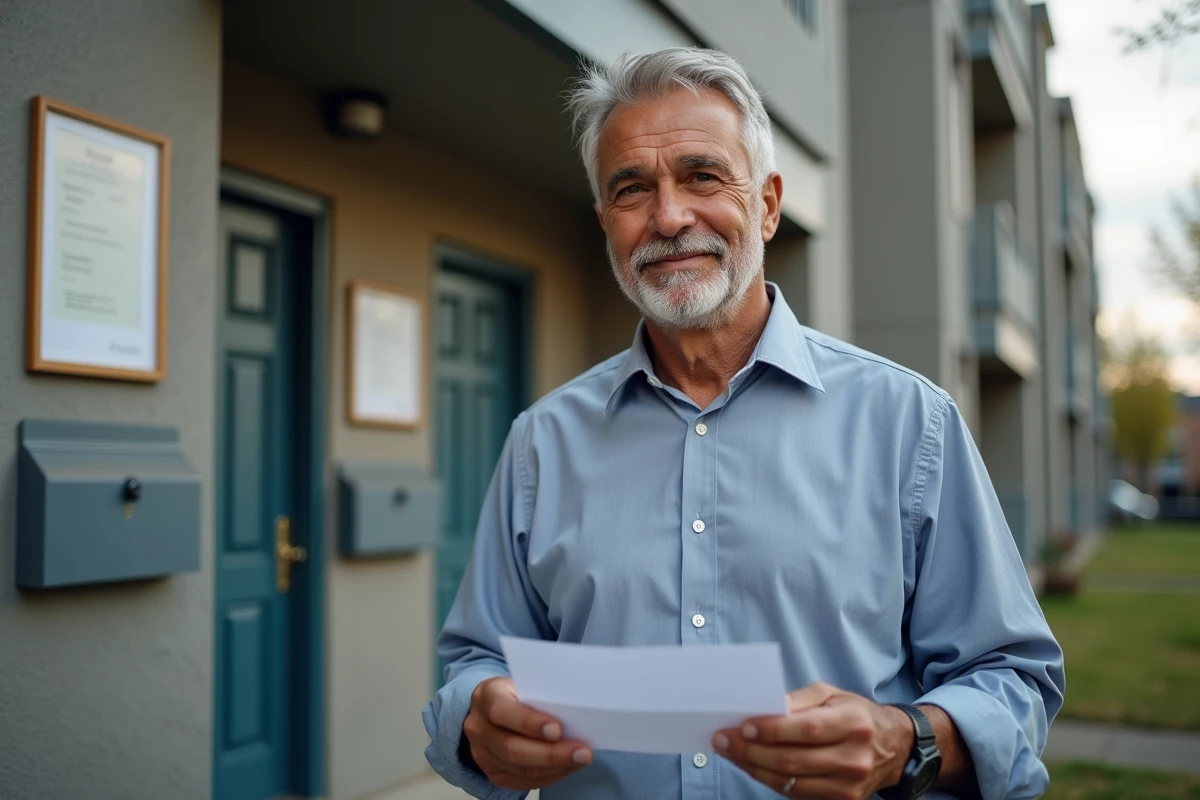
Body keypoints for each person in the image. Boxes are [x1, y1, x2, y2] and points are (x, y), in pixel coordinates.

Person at [423, 47, 1064, 800]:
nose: (668, 216)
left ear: (766, 202)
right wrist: (477, 719)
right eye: (632, 189)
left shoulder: (909, 423)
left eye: (702, 175)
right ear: (606, 224)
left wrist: (907, 742)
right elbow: (477, 661)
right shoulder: (543, 440)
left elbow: (1013, 679)